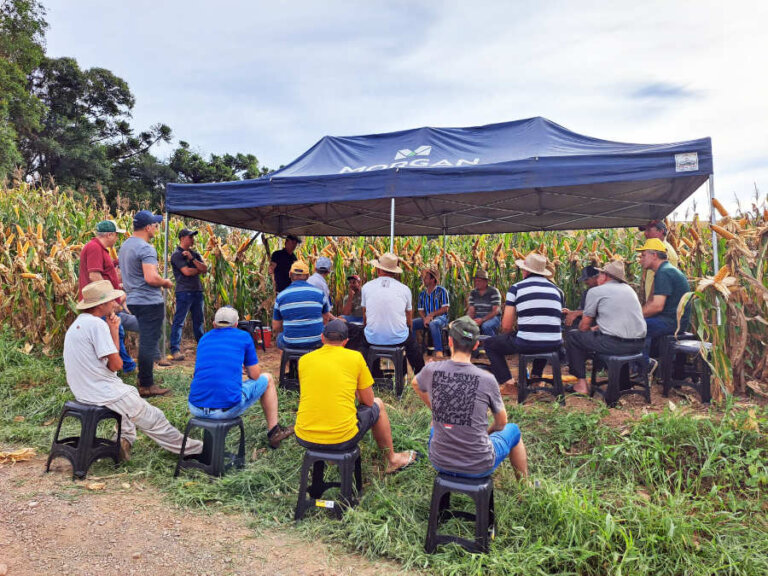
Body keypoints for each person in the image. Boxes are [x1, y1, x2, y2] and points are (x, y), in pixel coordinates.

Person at [63, 280, 203, 461]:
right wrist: (113, 332)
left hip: (83, 390)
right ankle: (195, 449)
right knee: (154, 417)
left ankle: (122, 443)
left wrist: (113, 330)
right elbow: (116, 365)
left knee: (128, 406)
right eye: (112, 301)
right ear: (102, 305)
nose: (116, 304)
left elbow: (106, 360)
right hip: (101, 391)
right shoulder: (97, 325)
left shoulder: (78, 325)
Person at [412, 316, 528, 478]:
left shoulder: (431, 369)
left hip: (439, 461)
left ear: (450, 341)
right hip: (479, 465)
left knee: (436, 424)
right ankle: (525, 485)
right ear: (476, 345)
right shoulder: (487, 379)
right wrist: (487, 433)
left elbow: (415, 383)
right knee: (513, 430)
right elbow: (502, 423)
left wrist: (435, 408)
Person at [296, 319, 417, 473]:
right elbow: (367, 401)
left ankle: (331, 458)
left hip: (304, 435)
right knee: (378, 403)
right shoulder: (355, 358)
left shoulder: (304, 360)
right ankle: (392, 460)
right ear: (346, 341)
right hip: (342, 437)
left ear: (322, 338)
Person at [188, 307, 294, 448]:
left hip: (195, 407)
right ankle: (274, 432)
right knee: (267, 379)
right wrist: (247, 370)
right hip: (226, 410)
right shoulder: (243, 337)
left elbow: (200, 372)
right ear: (237, 325)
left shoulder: (204, 339)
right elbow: (255, 375)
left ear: (214, 324)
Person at [484, 252, 564, 392]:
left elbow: (507, 326)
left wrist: (508, 335)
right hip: (555, 343)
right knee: (543, 335)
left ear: (526, 271)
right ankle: (536, 378)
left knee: (490, 344)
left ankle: (508, 383)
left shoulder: (516, 288)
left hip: (527, 343)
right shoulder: (557, 291)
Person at [566, 261, 647, 394]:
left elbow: (584, 326)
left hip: (614, 344)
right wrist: (597, 329)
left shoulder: (596, 291)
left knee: (574, 336)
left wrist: (587, 333)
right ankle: (623, 383)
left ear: (607, 276)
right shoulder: (629, 290)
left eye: (600, 273)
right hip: (638, 345)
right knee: (609, 337)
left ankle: (581, 384)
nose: (598, 276)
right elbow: (621, 319)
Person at [118, 210, 173, 397]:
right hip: (149, 301)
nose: (157, 229)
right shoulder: (146, 248)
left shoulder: (125, 246)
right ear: (148, 227)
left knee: (147, 340)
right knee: (149, 342)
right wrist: (165, 282)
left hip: (133, 300)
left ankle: (144, 379)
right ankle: (146, 385)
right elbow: (151, 278)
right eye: (156, 226)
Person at [77, 219, 135, 373]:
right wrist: (109, 300)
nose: (117, 239)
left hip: (102, 302)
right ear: (109, 234)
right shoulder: (95, 247)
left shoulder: (99, 249)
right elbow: (94, 276)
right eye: (116, 235)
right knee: (113, 332)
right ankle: (124, 367)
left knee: (116, 331)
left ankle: (125, 366)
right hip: (99, 304)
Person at [360, 253, 425, 375]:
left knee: (364, 342)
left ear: (378, 269)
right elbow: (409, 318)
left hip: (372, 338)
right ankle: (420, 375)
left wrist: (369, 328)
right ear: (394, 272)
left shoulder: (366, 287)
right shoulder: (405, 289)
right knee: (413, 347)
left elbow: (365, 316)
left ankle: (374, 374)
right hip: (398, 339)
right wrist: (408, 330)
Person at [637, 238, 691, 370]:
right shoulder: (663, 271)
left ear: (654, 255)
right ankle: (645, 365)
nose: (641, 259)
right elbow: (651, 302)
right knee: (637, 324)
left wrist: (634, 316)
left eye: (644, 255)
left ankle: (646, 367)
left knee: (635, 327)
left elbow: (657, 306)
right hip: (671, 320)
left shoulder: (665, 272)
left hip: (672, 323)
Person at [272, 260, 331, 350]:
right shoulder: (320, 293)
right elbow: (326, 318)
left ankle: (288, 363)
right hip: (317, 341)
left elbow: (276, 326)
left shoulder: (281, 296)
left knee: (280, 337)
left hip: (290, 342)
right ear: (307, 276)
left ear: (289, 274)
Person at [169, 228, 208, 361]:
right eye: (190, 237)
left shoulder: (194, 254)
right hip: (184, 292)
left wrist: (192, 260)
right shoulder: (176, 255)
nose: (193, 239)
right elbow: (186, 272)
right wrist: (198, 269)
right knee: (179, 321)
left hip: (197, 291)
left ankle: (202, 348)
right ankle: (175, 350)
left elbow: (205, 269)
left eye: (193, 237)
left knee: (199, 322)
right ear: (182, 238)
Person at [412, 268, 450, 358]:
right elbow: (420, 310)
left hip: (441, 318)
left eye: (426, 278)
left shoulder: (442, 291)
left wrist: (431, 315)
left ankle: (439, 350)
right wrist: (425, 318)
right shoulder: (422, 294)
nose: (424, 280)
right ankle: (414, 349)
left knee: (433, 324)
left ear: (433, 280)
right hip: (427, 318)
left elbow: (445, 308)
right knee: (412, 323)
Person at [638, 220, 679, 304]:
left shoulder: (666, 252)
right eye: (645, 230)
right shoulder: (653, 250)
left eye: (649, 230)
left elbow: (665, 285)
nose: (645, 234)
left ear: (661, 231)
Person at [467, 269, 501, 336]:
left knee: (486, 326)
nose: (477, 283)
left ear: (486, 282)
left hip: (493, 317)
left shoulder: (494, 292)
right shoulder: (473, 292)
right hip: (477, 316)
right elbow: (471, 310)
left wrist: (482, 320)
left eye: (479, 281)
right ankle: (474, 344)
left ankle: (492, 344)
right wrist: (469, 320)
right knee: (466, 327)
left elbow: (496, 310)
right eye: (475, 281)